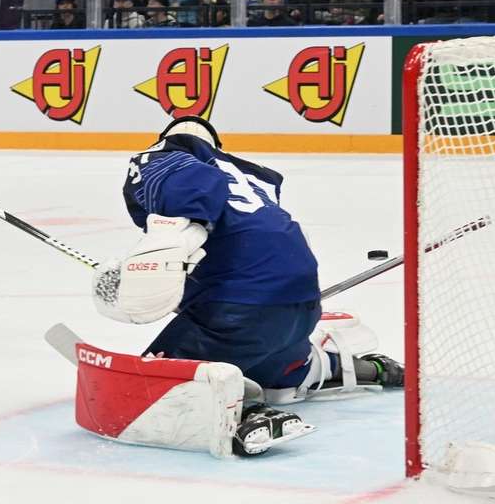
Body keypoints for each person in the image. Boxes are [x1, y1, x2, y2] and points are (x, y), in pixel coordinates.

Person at [92, 116, 404, 401]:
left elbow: (186, 213)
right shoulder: (253, 177)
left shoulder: (163, 158)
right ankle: (367, 369)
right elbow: (259, 241)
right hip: (299, 309)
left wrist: (155, 265)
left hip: (237, 316)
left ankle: (248, 416)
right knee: (285, 373)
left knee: (144, 394)